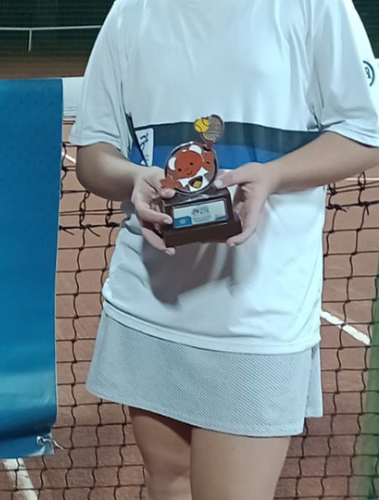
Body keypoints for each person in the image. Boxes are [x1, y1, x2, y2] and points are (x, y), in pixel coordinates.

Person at [68, 0, 379, 499]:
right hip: (149, 302)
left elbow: (366, 132)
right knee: (168, 481)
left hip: (257, 316)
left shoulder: (314, 6)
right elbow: (93, 153)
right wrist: (135, 179)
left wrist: (274, 175)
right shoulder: (131, 11)